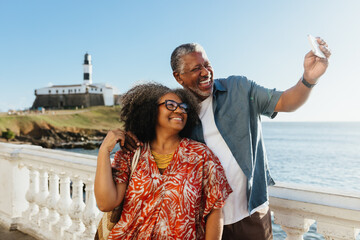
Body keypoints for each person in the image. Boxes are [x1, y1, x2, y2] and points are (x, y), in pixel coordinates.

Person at [122, 39, 331, 239]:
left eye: (207, 64)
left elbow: (286, 102)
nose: (205, 72)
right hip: (203, 223)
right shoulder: (178, 113)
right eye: (196, 69)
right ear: (179, 78)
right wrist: (129, 134)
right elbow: (152, 135)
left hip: (251, 215)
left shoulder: (239, 88)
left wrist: (309, 79)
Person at [94, 83, 232, 240]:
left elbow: (215, 211)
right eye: (171, 105)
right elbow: (106, 203)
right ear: (151, 110)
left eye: (183, 107)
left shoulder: (201, 156)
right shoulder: (132, 154)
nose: (179, 110)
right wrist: (104, 150)